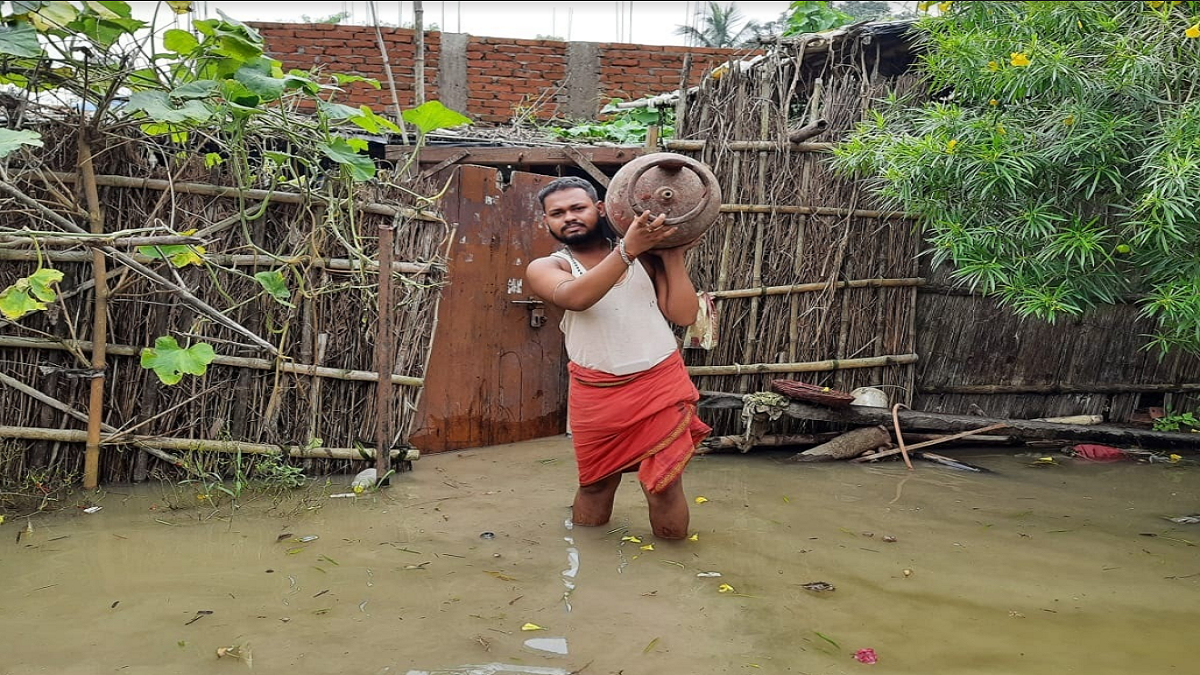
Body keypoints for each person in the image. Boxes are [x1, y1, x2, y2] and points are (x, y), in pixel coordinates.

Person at [525, 176, 711, 540]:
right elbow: (576, 298)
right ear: (546, 223)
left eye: (577, 208)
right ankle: (588, 564)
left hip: (659, 382)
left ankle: (674, 573)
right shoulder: (549, 267)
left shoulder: (646, 259)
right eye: (557, 213)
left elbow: (683, 316)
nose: (569, 217)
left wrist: (673, 254)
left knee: (664, 485)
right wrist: (628, 249)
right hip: (596, 393)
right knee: (595, 484)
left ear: (599, 209)